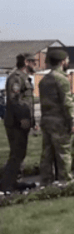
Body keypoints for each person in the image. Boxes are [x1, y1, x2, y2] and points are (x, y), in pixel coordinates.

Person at [38, 50, 74, 185]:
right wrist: (72, 122)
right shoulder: (62, 79)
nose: (68, 62)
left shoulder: (44, 80)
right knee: (63, 152)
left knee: (47, 153)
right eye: (67, 60)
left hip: (47, 120)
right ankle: (66, 181)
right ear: (62, 62)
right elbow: (67, 103)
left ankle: (46, 180)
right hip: (59, 122)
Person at [1, 54, 37, 192]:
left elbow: (26, 102)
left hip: (22, 122)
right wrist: (23, 118)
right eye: (34, 62)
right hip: (16, 123)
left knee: (20, 153)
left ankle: (15, 181)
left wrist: (32, 121)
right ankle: (7, 185)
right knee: (17, 154)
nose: (36, 64)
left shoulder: (24, 78)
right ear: (26, 62)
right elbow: (14, 100)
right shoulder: (16, 78)